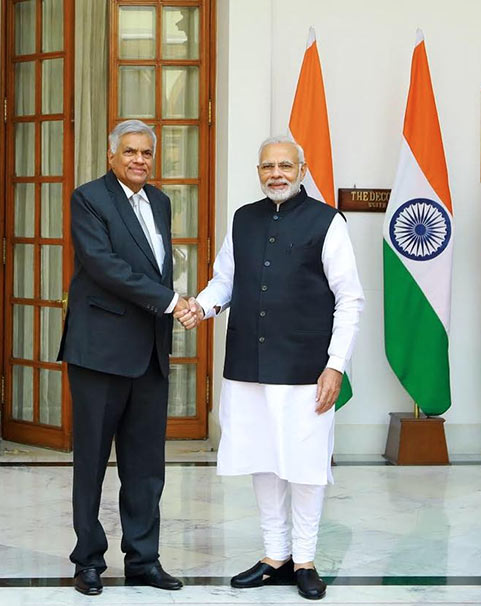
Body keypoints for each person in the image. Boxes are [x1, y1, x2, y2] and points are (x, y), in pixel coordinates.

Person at [176, 135, 364, 600]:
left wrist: (335, 366)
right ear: (258, 171)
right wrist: (200, 307)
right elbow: (225, 280)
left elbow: (350, 300)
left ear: (302, 169)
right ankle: (273, 556)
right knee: (263, 461)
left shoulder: (327, 222)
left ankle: (304, 559)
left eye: (285, 165)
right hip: (248, 365)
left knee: (303, 467)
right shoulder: (243, 219)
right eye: (267, 166)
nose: (275, 173)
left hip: (306, 369)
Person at [57, 119, 189, 596]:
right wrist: (173, 301)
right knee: (91, 462)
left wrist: (173, 301)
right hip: (100, 353)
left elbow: (155, 264)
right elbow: (105, 266)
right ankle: (88, 559)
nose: (139, 160)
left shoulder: (160, 201)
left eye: (146, 153)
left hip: (150, 352)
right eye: (130, 152)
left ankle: (143, 559)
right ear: (111, 156)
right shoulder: (89, 198)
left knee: (146, 466)